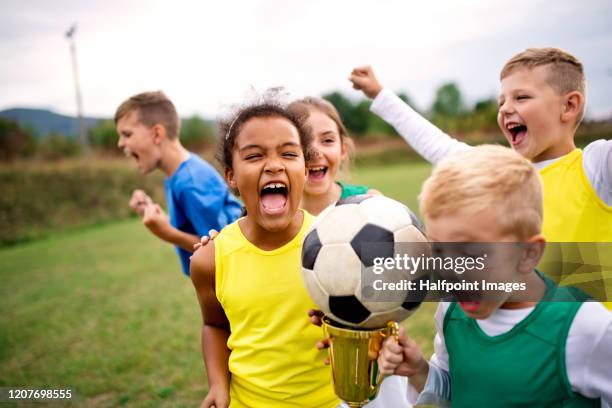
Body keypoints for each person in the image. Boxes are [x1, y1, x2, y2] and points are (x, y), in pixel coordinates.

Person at [349, 47, 612, 305]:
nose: (506, 108)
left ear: (569, 106)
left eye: (521, 98)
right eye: (502, 101)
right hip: (529, 340)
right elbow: (436, 143)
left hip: (593, 342)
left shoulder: (596, 165)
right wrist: (379, 94)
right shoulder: (497, 172)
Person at [377, 145, 612, 407]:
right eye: (439, 249)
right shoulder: (451, 311)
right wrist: (420, 370)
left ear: (528, 254)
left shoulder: (586, 327)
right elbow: (459, 388)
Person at [189, 100, 338, 407]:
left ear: (305, 169)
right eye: (255, 156)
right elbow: (215, 325)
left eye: (288, 153)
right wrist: (218, 384)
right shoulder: (209, 259)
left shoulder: (334, 243)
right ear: (231, 176)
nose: (273, 165)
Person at [115, 91, 242, 276]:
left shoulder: (191, 181)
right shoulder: (177, 175)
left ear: (157, 133)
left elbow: (220, 247)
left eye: (127, 134)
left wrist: (167, 233)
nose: (120, 143)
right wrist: (150, 212)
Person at [288, 97, 379, 215]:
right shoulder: (269, 213)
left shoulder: (370, 202)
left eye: (327, 140)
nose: (316, 153)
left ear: (343, 150)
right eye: (302, 141)